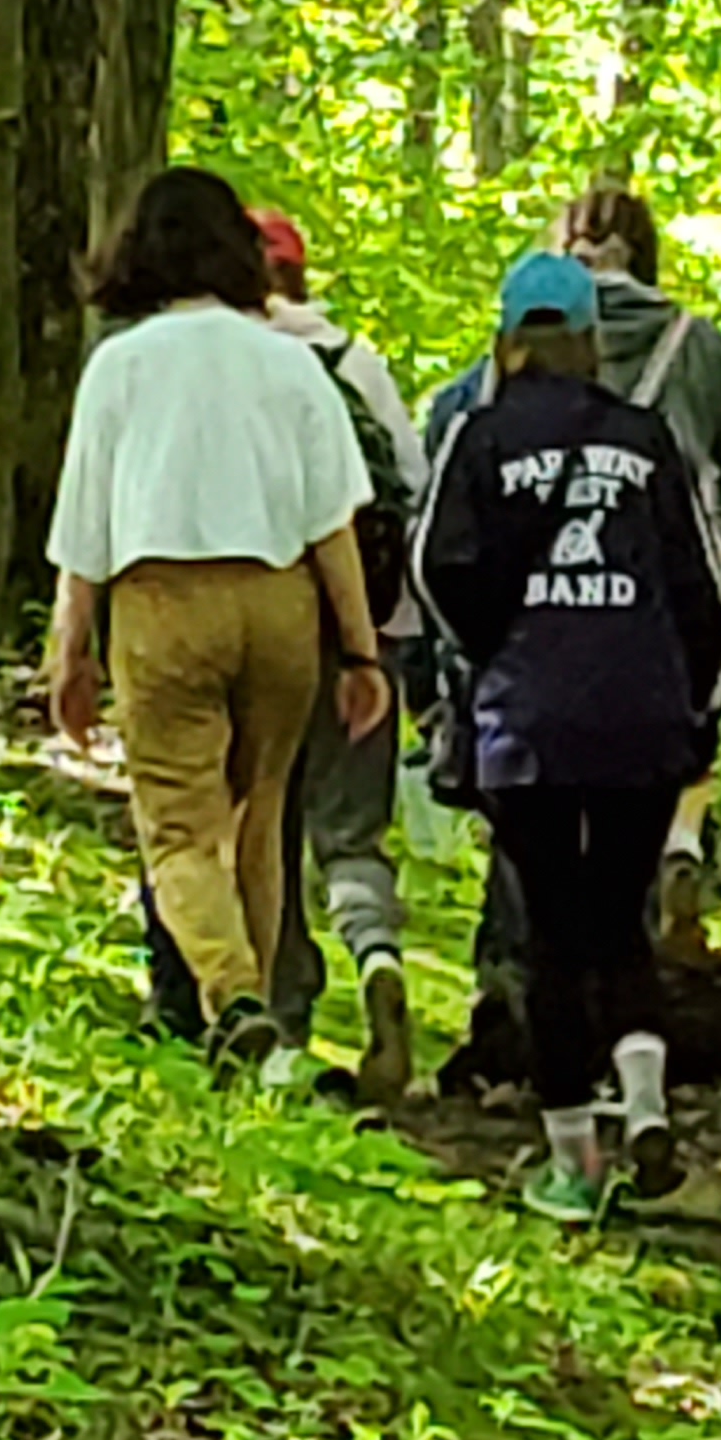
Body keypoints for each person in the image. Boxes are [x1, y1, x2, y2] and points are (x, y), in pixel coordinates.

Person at [48, 165, 393, 1074]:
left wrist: (70, 654)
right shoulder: (290, 362)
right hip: (278, 606)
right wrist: (362, 653)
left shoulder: (119, 366)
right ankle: (269, 1027)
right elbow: (335, 529)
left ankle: (232, 999)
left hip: (162, 606)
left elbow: (84, 531)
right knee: (260, 817)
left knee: (176, 827)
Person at [416, 251, 721, 1222]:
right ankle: (642, 1104)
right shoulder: (644, 439)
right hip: (642, 718)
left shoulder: (478, 435)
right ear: (591, 341)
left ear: (510, 340)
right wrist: (696, 706)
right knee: (621, 922)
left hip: (531, 724)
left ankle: (573, 1163)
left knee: (552, 934)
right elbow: (700, 587)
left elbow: (440, 573)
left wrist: (488, 664)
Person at [553, 187, 721, 958]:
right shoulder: (700, 347)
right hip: (677, 584)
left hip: (565, 583)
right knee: (682, 733)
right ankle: (679, 844)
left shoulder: (535, 339)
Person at [254, 205, 425, 1108]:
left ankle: (283, 1017)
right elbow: (413, 485)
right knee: (351, 835)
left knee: (269, 830)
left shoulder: (229, 368)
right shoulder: (354, 360)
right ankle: (379, 959)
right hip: (365, 637)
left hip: (262, 632)